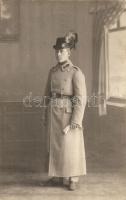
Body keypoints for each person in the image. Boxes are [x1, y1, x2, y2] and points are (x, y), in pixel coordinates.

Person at [43, 31, 87, 191]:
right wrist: (45, 114)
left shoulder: (76, 72)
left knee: (71, 147)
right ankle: (58, 175)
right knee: (56, 146)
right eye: (56, 51)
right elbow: (46, 94)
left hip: (68, 114)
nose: (58, 53)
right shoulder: (53, 71)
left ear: (69, 52)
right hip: (54, 112)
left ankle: (73, 178)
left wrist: (75, 122)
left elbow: (80, 99)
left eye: (61, 51)